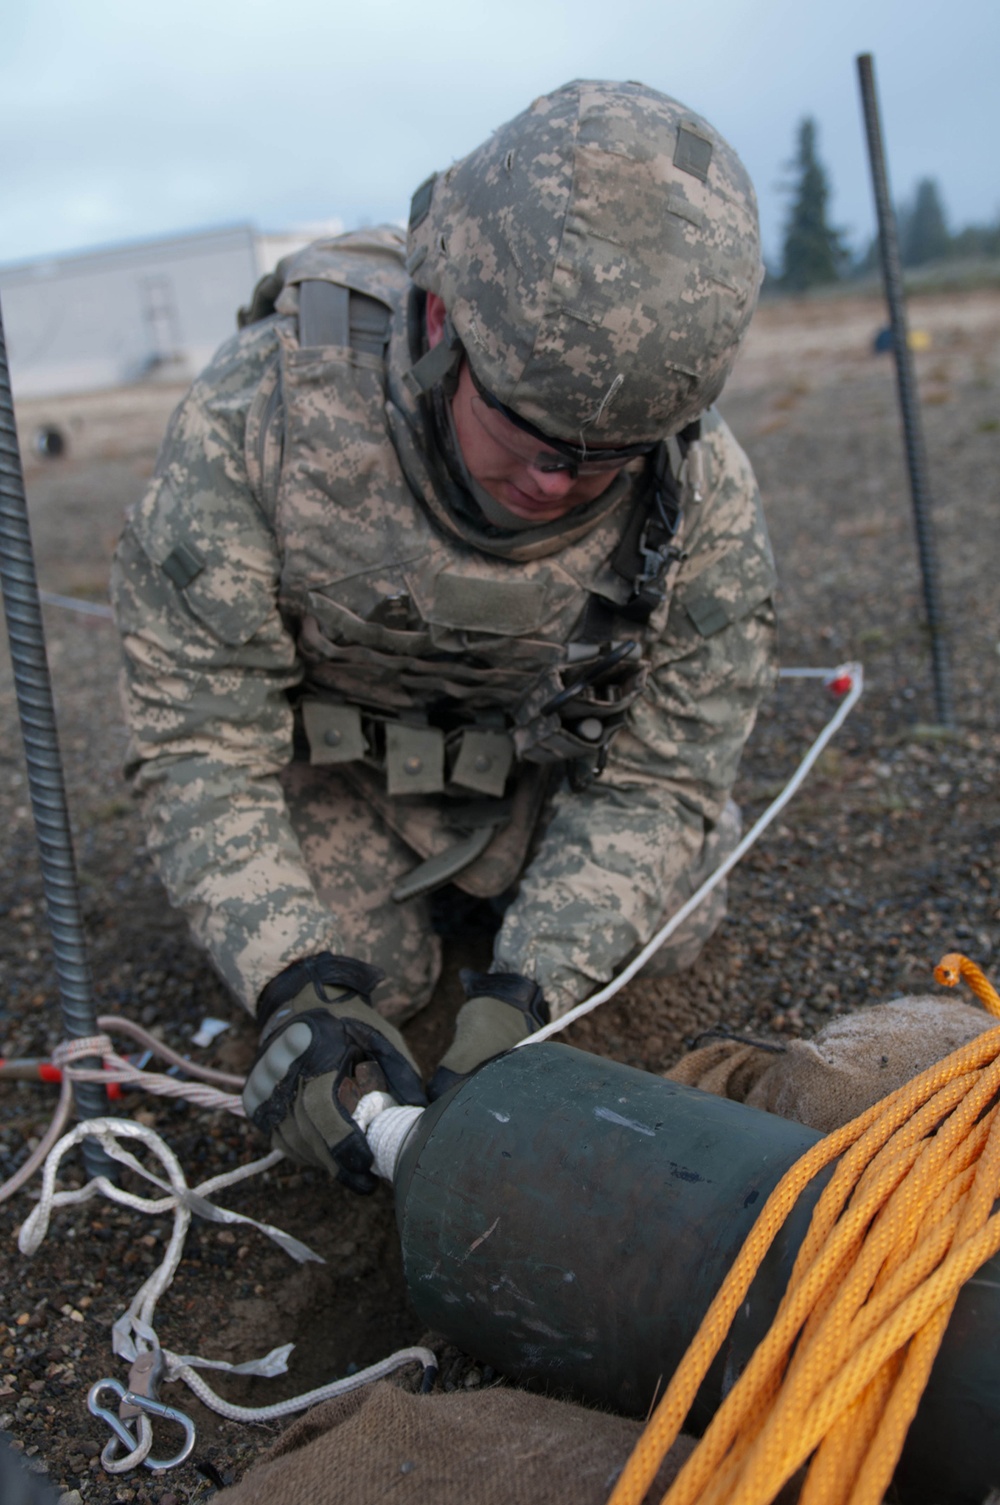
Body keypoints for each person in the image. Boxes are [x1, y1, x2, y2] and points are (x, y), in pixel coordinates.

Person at [112, 79, 776, 1194]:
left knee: (678, 900)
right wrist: (296, 981)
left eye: (604, 454)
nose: (558, 479)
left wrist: (531, 992)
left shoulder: (700, 493)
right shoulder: (261, 417)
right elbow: (196, 741)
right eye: (526, 427)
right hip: (337, 779)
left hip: (543, 778)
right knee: (365, 976)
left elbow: (659, 778)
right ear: (438, 325)